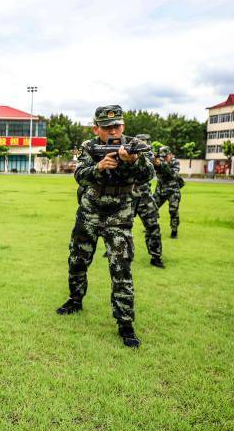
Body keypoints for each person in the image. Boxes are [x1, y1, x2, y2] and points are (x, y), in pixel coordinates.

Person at [57, 106, 154, 348]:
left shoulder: (136, 146)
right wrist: (99, 168)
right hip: (89, 212)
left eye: (117, 126)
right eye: (107, 127)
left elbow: (148, 175)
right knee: (77, 260)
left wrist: (132, 162)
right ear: (96, 129)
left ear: (123, 126)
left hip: (120, 216)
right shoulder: (89, 147)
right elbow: (79, 175)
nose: (113, 131)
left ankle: (125, 324)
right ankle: (75, 300)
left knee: (121, 269)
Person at [132, 134, 164, 268]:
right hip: (127, 196)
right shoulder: (125, 152)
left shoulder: (149, 155)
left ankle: (156, 256)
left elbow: (156, 167)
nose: (145, 145)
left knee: (153, 227)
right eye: (143, 142)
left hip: (145, 197)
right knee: (118, 226)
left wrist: (158, 163)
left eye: (146, 142)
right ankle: (111, 249)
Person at [153, 146, 183, 238]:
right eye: (162, 157)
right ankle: (151, 227)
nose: (164, 158)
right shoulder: (157, 162)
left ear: (170, 155)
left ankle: (174, 231)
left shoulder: (175, 162)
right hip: (160, 189)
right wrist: (157, 163)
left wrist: (162, 165)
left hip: (173, 190)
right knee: (152, 208)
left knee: (173, 211)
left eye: (166, 156)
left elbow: (174, 174)